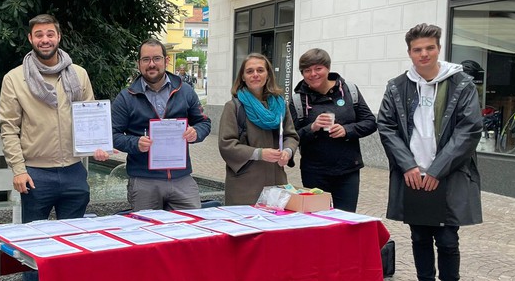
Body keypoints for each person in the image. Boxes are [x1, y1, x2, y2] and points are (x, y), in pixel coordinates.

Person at [0, 13, 108, 281]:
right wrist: (18, 169)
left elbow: (90, 115)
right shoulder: (15, 78)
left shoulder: (79, 75)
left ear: (58, 37)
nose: (45, 39)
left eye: (50, 34)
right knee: (35, 240)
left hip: (74, 170)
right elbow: (9, 127)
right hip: (36, 172)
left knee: (73, 237)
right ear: (30, 39)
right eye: (39, 35)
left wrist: (96, 144)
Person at [377, 23, 482, 281]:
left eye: (429, 48)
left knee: (448, 239)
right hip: (412, 175)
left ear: (439, 48)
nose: (424, 54)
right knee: (420, 236)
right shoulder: (397, 86)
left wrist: (437, 169)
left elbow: (469, 129)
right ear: (409, 52)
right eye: (417, 49)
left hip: (448, 174)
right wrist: (409, 166)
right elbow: (387, 127)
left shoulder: (461, 84)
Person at [112, 39, 211, 210]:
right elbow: (112, 135)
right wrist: (135, 143)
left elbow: (204, 122)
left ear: (166, 61)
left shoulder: (185, 90)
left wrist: (196, 132)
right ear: (139, 63)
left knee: (192, 230)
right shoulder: (126, 97)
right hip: (144, 181)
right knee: (146, 233)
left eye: (157, 58)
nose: (151, 64)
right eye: (146, 59)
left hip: (182, 179)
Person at [288, 48, 376, 212]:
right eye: (307, 70)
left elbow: (370, 122)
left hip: (347, 169)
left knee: (346, 220)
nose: (313, 74)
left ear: (327, 68)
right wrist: (312, 128)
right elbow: (291, 137)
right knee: (316, 221)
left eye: (318, 68)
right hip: (314, 171)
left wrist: (346, 130)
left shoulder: (349, 90)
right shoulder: (297, 100)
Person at [218, 53, 298, 205]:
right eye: (250, 71)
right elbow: (226, 144)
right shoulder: (234, 107)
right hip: (245, 187)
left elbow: (291, 136)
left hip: (276, 182)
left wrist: (287, 152)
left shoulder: (280, 105)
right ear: (243, 77)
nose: (255, 75)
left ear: (268, 75)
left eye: (260, 70)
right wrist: (260, 154)